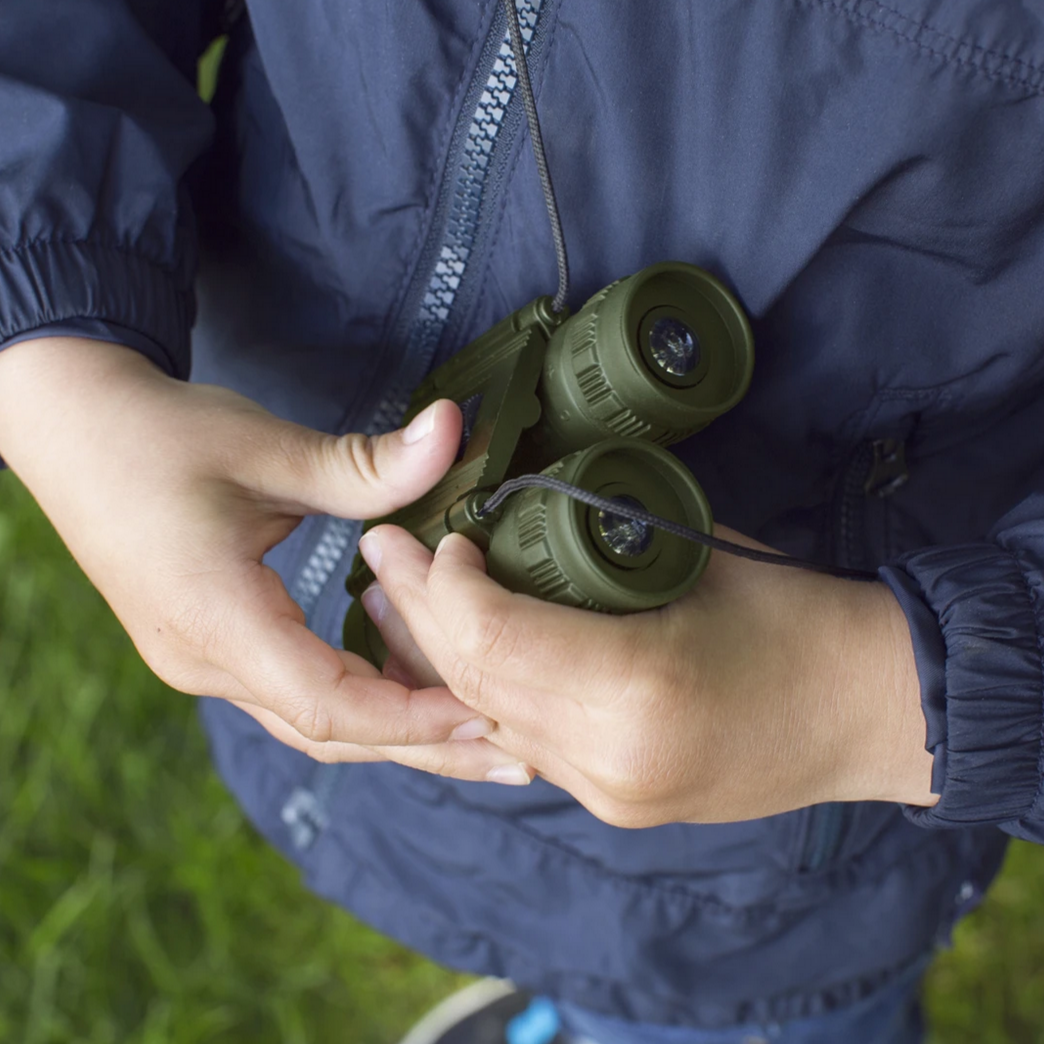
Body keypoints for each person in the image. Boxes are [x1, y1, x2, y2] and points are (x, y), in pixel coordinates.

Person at [2, 0, 1043, 1041]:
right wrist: (56, 372)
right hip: (286, 431)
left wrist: (880, 697)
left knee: (702, 1007)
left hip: (756, 831)